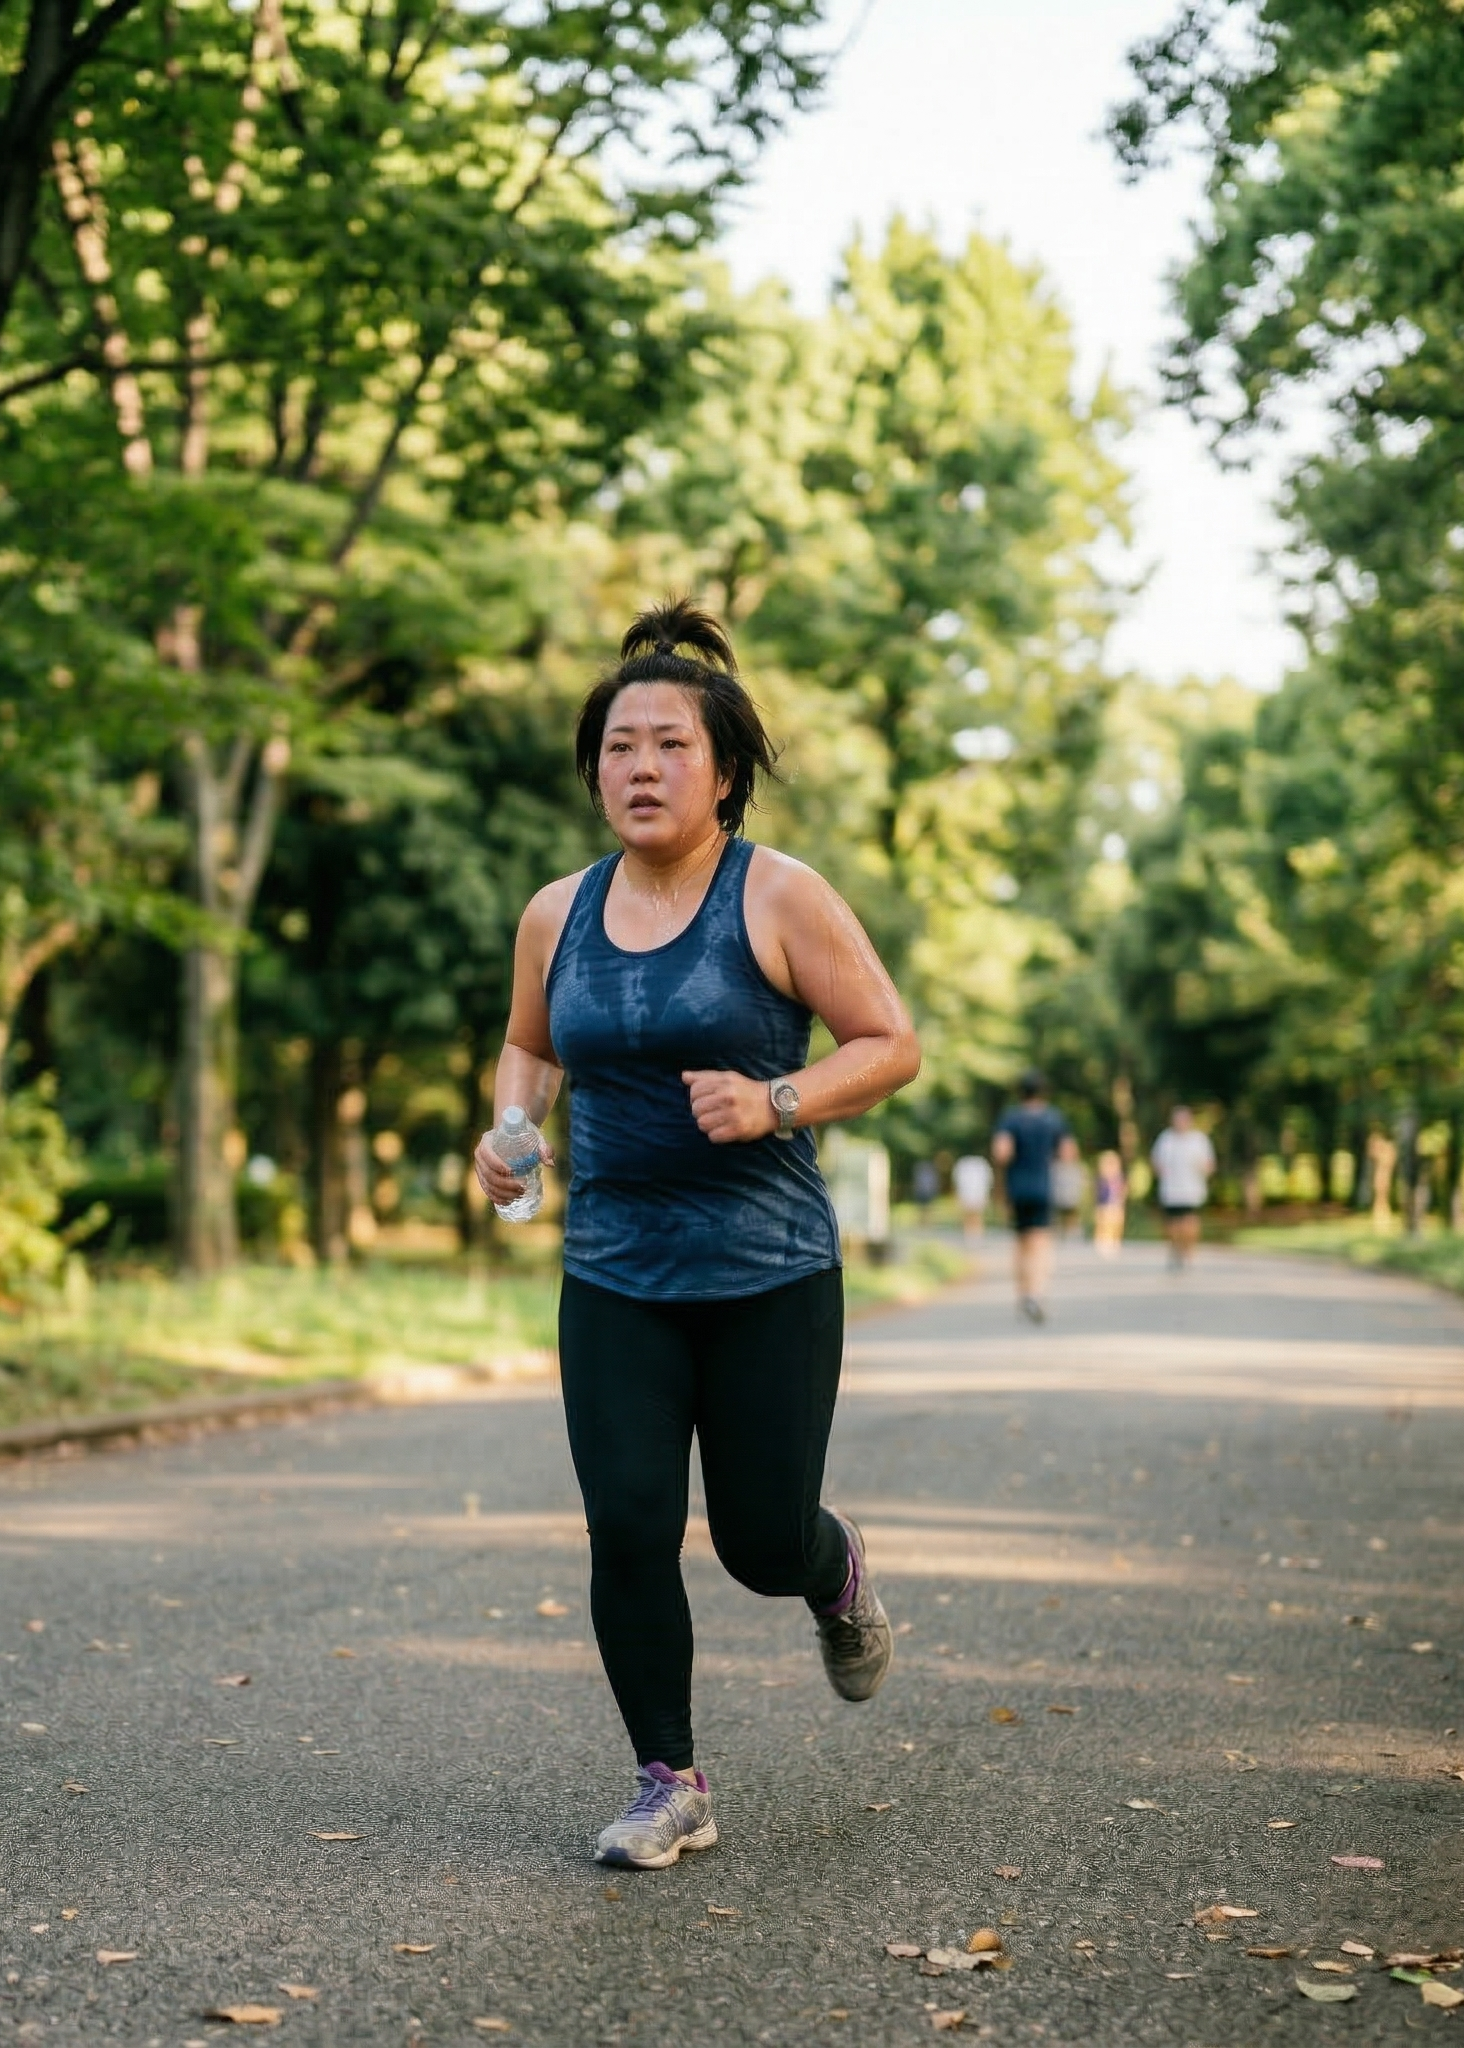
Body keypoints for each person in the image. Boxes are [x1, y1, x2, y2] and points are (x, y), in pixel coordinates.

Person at [472, 599, 921, 1873]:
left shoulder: (776, 895)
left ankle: (831, 1569)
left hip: (767, 1270)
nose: (642, 767)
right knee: (625, 1521)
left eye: (670, 744)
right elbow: (529, 1044)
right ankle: (669, 1779)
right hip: (615, 1271)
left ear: (723, 772)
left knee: (756, 1540)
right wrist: (511, 1131)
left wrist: (776, 1098)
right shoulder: (556, 912)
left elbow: (889, 1042)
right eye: (619, 746)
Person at [989, 1071, 1077, 1322]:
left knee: (1020, 1242)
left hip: (1017, 1189)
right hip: (1043, 1187)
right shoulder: (1054, 1118)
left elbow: (1001, 1152)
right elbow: (1068, 1153)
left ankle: (1023, 1294)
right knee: (1040, 1242)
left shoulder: (1011, 1118)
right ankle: (1037, 1293)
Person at [1150, 1105, 1216, 1268]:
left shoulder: (1199, 1140)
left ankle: (1188, 1251)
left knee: (1189, 1223)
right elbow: (1156, 1162)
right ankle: (1176, 1249)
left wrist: (1204, 1170)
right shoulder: (1166, 1139)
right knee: (1172, 1225)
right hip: (1171, 1191)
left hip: (1192, 1191)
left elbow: (1209, 1164)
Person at [1092, 1150, 1128, 1257]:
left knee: (1116, 1223)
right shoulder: (1101, 1179)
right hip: (1103, 1204)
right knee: (1103, 1223)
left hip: (1116, 1204)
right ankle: (1102, 1241)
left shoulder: (1119, 1178)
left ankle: (1115, 1241)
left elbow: (1123, 1190)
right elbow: (1097, 1193)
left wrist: (1122, 1198)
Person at [952, 1151, 993, 1240]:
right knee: (969, 1214)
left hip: (977, 1191)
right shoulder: (965, 1164)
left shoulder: (979, 1164)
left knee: (976, 1214)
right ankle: (969, 1235)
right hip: (969, 1191)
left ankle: (976, 1235)